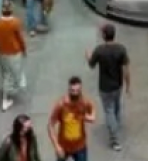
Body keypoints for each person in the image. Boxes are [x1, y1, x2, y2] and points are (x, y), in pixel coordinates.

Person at [86, 23, 130, 152]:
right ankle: (116, 123)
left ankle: (114, 138)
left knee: (108, 110)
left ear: (104, 35)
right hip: (118, 85)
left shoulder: (99, 50)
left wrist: (88, 55)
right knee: (116, 105)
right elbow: (126, 69)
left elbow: (91, 65)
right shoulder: (121, 49)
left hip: (105, 87)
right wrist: (128, 85)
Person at [0, 0, 28, 111]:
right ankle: (8, 94)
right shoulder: (15, 22)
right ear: (11, 9)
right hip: (14, 52)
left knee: (6, 73)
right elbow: (20, 38)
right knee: (15, 72)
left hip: (2, 51)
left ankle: (7, 95)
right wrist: (24, 49)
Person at [48, 76, 95, 161]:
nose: (75, 93)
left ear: (81, 90)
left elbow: (92, 114)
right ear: (68, 90)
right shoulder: (61, 105)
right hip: (63, 146)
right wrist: (57, 146)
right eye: (72, 90)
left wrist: (85, 117)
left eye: (78, 90)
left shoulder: (84, 102)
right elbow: (50, 125)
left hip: (80, 146)